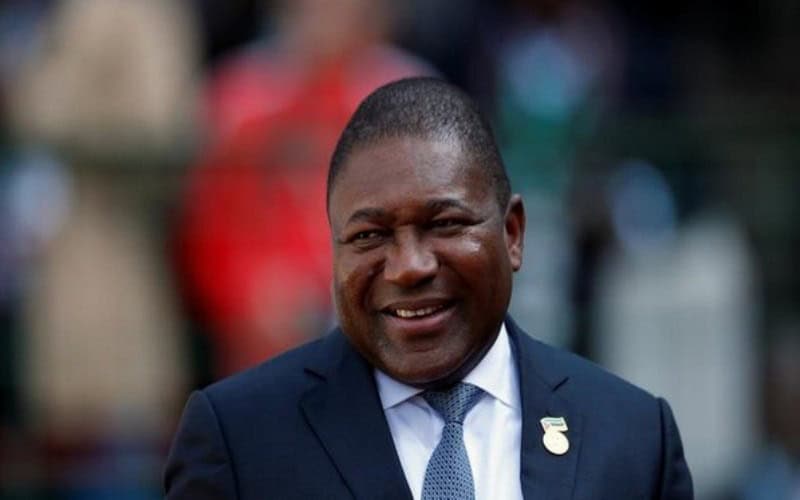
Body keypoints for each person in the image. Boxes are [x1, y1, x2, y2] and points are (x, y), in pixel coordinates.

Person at [164, 77, 693, 499]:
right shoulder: (240, 440)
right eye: (369, 236)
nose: (409, 267)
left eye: (444, 224)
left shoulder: (632, 437)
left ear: (512, 234)